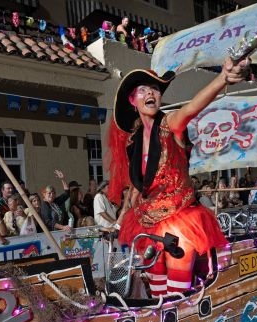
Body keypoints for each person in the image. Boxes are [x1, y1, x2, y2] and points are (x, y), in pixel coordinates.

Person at [107, 56, 249, 296]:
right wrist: (122, 216)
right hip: (147, 222)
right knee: (158, 290)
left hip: (181, 220)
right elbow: (137, 184)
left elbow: (192, 107)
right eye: (143, 90)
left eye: (155, 89)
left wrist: (223, 78)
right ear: (133, 100)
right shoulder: (133, 140)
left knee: (176, 292)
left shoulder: (170, 123)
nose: (151, 93)